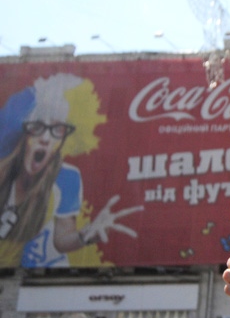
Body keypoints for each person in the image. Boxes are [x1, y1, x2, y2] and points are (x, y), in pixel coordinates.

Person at [0, 73, 142, 267]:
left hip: (12, 278)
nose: (46, 138)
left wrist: (86, 236)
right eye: (38, 127)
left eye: (57, 130)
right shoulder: (4, 164)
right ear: (24, 132)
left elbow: (62, 240)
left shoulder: (67, 178)